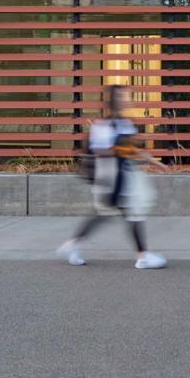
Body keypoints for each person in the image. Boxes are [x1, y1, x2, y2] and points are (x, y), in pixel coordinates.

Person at [56, 85, 166, 269]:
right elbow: (101, 150)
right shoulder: (104, 125)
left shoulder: (126, 123)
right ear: (115, 100)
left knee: (116, 213)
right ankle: (143, 256)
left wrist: (156, 163)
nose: (128, 99)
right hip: (110, 177)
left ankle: (73, 245)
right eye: (124, 96)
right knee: (130, 213)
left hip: (123, 176)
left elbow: (132, 150)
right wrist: (119, 148)